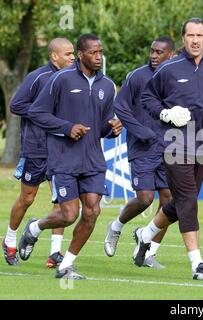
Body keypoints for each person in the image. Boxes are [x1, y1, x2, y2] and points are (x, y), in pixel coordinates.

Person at [18, 34, 122, 280]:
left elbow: (104, 125)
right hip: (63, 159)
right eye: (93, 53)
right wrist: (67, 127)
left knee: (92, 211)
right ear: (80, 55)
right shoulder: (60, 80)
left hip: (93, 160)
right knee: (68, 215)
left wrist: (112, 128)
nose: (99, 56)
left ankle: (66, 265)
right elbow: (36, 112)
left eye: (100, 52)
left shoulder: (107, 85)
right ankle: (35, 227)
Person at [136, 17, 203, 280]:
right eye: (191, 35)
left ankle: (145, 234)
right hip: (175, 143)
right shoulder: (168, 69)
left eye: (200, 35)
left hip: (202, 140)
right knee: (188, 201)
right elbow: (148, 98)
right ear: (183, 38)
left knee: (180, 202)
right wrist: (165, 114)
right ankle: (197, 264)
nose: (195, 40)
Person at [104, 36, 175, 269]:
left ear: (171, 54)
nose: (154, 55)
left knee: (170, 202)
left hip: (169, 148)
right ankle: (116, 226)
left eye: (159, 52)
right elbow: (120, 106)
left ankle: (149, 252)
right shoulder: (137, 76)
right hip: (142, 147)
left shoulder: (177, 77)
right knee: (145, 199)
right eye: (152, 51)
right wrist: (140, 130)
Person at [2, 38, 74, 267]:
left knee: (62, 201)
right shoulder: (38, 77)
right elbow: (16, 106)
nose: (73, 58)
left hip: (61, 149)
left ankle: (54, 253)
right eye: (68, 54)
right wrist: (44, 113)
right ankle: (10, 240)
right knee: (27, 198)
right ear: (54, 56)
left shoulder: (72, 78)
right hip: (36, 149)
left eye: (74, 54)